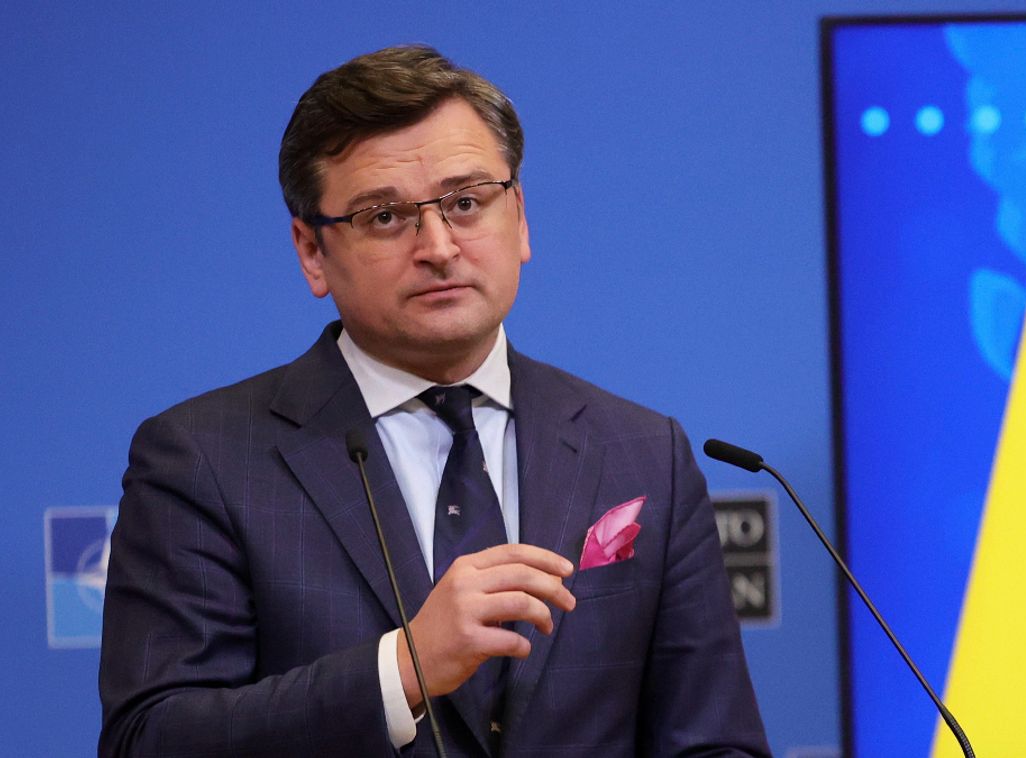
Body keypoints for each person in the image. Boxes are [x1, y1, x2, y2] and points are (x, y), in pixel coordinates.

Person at [98, 44, 769, 757]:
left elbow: (714, 745)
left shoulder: (644, 453)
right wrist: (401, 669)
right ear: (312, 251)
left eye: (465, 203)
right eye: (385, 217)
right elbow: (151, 739)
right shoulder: (205, 460)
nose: (439, 247)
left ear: (520, 218)